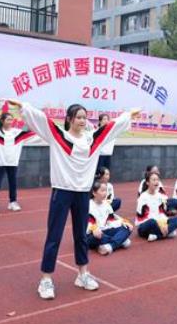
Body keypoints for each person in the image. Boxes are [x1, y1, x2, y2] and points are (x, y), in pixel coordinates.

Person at [9, 98, 140, 300]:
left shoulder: (92, 139)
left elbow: (112, 127)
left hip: (82, 193)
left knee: (81, 235)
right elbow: (42, 119)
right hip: (62, 191)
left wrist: (128, 114)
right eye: (78, 117)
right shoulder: (58, 135)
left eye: (85, 117)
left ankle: (83, 274)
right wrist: (23, 107)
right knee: (54, 236)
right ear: (69, 119)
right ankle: (46, 279)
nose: (82, 120)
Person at [87, 181, 132, 256]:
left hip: (105, 231)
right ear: (94, 193)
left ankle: (110, 246)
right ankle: (119, 241)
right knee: (99, 236)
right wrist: (93, 228)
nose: (105, 193)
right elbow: (86, 223)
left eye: (106, 191)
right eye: (102, 191)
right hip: (92, 235)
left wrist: (123, 222)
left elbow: (111, 220)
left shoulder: (107, 205)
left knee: (127, 228)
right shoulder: (88, 205)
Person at [136, 170, 177, 241]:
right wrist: (160, 225)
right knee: (152, 222)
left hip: (160, 223)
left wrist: (164, 225)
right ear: (147, 182)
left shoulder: (160, 196)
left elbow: (162, 213)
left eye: (157, 180)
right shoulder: (143, 197)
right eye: (154, 180)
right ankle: (167, 233)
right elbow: (142, 218)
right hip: (146, 225)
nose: (156, 182)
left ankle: (156, 235)